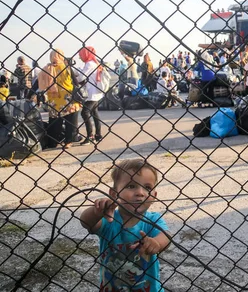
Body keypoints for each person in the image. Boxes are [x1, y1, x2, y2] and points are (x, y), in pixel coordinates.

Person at [79, 159, 170, 292]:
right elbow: (86, 222)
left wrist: (156, 243)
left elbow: (166, 235)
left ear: (154, 196)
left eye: (147, 187)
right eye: (131, 186)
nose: (140, 192)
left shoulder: (153, 219)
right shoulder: (109, 220)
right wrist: (96, 211)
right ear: (114, 194)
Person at [38, 49, 82, 149]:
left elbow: (38, 84)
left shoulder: (46, 69)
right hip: (68, 98)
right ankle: (68, 142)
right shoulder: (66, 67)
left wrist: (30, 95)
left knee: (54, 123)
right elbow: (75, 82)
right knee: (70, 122)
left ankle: (52, 142)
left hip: (54, 100)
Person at [78, 47, 104, 145]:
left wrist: (73, 76)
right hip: (95, 92)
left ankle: (90, 136)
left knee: (85, 113)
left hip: (92, 93)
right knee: (94, 113)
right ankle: (98, 134)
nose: (80, 57)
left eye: (81, 55)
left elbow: (81, 77)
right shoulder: (94, 63)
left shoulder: (89, 64)